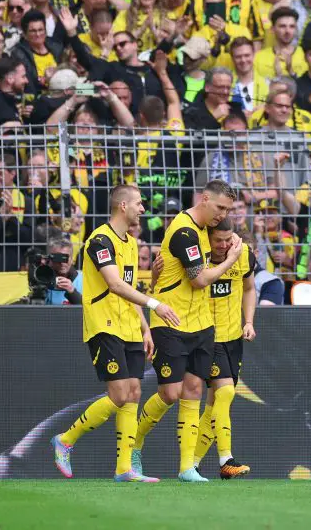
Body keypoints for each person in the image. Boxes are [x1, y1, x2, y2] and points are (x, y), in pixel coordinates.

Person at [51, 185, 180, 483]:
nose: (143, 210)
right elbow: (115, 285)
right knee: (120, 394)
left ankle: (124, 468)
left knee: (134, 393)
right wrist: (155, 305)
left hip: (130, 327)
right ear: (123, 206)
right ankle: (66, 439)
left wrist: (144, 327)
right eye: (139, 204)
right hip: (104, 325)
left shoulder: (132, 244)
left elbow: (129, 289)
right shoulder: (100, 240)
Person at [133, 179, 244, 482]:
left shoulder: (206, 232)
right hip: (170, 321)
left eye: (228, 210)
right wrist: (232, 259)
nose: (222, 214)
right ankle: (135, 441)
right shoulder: (184, 231)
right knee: (170, 393)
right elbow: (198, 279)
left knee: (194, 391)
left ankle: (186, 468)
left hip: (202, 324)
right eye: (220, 207)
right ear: (204, 199)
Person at [192, 219, 257, 480]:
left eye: (227, 240)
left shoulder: (244, 255)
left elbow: (250, 288)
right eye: (218, 240)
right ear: (207, 239)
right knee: (227, 391)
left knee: (213, 406)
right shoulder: (197, 259)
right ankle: (226, 459)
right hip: (207, 337)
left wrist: (249, 321)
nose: (223, 245)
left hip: (232, 339)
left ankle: (192, 465)